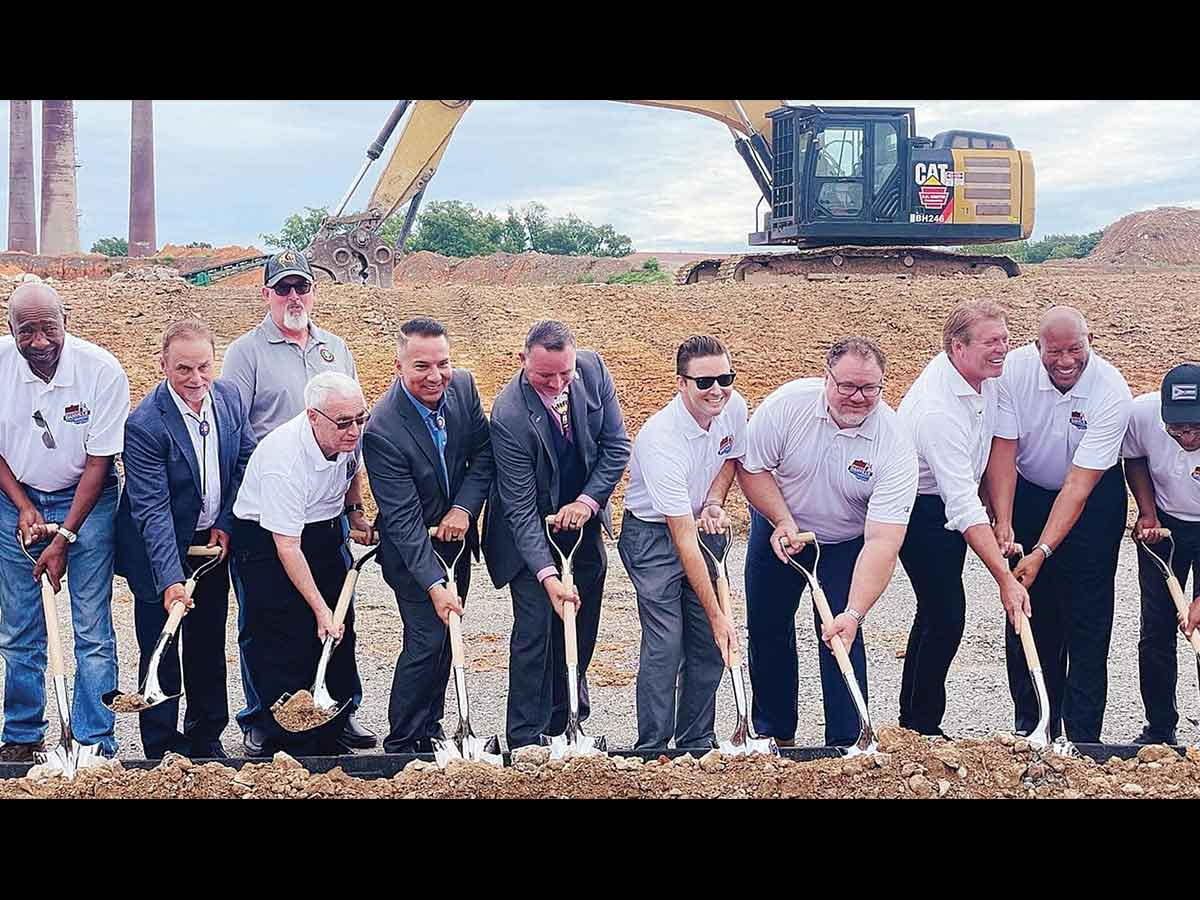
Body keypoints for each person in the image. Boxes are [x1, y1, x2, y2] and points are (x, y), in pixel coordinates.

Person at [221, 249, 376, 753]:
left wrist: (354, 508)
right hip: (272, 506)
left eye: (301, 287)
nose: (293, 297)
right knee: (272, 621)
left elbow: (351, 447)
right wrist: (265, 473)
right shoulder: (247, 352)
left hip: (323, 499)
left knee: (338, 616)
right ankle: (265, 719)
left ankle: (335, 708)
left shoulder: (335, 349)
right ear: (266, 293)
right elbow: (233, 424)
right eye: (283, 288)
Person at [739, 336, 918, 747]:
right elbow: (752, 468)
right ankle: (774, 733)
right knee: (767, 627)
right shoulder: (788, 405)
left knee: (840, 634)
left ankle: (847, 739)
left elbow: (882, 542)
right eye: (847, 386)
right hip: (781, 527)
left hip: (845, 540)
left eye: (869, 388)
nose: (857, 397)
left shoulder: (893, 442)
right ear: (827, 377)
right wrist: (781, 520)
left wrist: (854, 612)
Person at [482, 320, 631, 750]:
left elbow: (616, 447)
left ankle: (567, 717)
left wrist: (586, 503)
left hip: (582, 521)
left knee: (582, 621)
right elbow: (520, 508)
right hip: (526, 530)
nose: (557, 383)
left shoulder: (594, 369)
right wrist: (547, 575)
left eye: (564, 374)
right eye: (545, 375)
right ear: (522, 360)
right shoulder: (510, 414)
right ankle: (525, 737)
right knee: (535, 630)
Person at [987, 306, 1133, 743]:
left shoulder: (1111, 389)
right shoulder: (1013, 372)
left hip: (1093, 499)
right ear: (1037, 348)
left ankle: (1084, 735)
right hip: (1029, 491)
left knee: (1088, 615)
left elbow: (1076, 485)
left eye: (1075, 349)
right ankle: (1034, 724)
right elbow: (1005, 451)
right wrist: (1005, 524)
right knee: (1027, 608)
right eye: (1055, 351)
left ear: (1090, 343)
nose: (1065, 360)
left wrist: (1043, 550)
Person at [114, 319, 255, 759]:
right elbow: (151, 510)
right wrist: (170, 579)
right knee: (161, 639)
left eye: (203, 368)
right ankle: (160, 744)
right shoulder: (145, 425)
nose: (196, 380)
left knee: (208, 639)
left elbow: (244, 459)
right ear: (163, 366)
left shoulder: (229, 397)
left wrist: (227, 522)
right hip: (158, 547)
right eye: (183, 370)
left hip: (212, 545)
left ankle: (206, 735)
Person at [0, 282, 129, 762]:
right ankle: (21, 734)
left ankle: (94, 739)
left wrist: (66, 535)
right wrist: (22, 507)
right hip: (17, 495)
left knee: (92, 624)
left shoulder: (102, 372)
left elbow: (100, 462)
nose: (38, 341)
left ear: (66, 324)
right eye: (26, 330)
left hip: (88, 498)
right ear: (10, 329)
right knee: (19, 625)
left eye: (48, 328)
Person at [896, 301, 1029, 739]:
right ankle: (921, 725)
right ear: (958, 347)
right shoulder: (937, 409)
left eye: (1005, 340)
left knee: (937, 612)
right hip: (919, 506)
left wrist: (1002, 517)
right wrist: (1004, 580)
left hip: (955, 496)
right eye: (992, 342)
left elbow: (995, 446)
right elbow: (960, 505)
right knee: (947, 613)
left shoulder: (987, 377)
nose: (1002, 350)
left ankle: (915, 722)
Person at [362, 318, 494, 754]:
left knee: (446, 638)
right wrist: (434, 586)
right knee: (427, 638)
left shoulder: (465, 388)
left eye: (443, 363)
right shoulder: (382, 429)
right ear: (398, 365)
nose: (435, 376)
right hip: (411, 550)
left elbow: (483, 455)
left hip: (455, 541)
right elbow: (400, 521)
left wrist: (462, 509)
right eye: (421, 366)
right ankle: (402, 740)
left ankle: (431, 730)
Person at [620, 335, 743, 750]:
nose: (717, 389)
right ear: (681, 383)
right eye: (704, 382)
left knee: (709, 646)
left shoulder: (733, 407)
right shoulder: (661, 440)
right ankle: (653, 747)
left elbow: (731, 457)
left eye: (724, 378)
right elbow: (682, 540)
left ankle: (697, 742)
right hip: (653, 536)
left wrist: (713, 500)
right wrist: (718, 615)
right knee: (666, 642)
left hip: (696, 523)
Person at [1121, 363, 1200, 744]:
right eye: (1177, 429)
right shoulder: (1142, 414)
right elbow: (1133, 456)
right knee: (1155, 628)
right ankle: (1160, 729)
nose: (1186, 438)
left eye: (1196, 429)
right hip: (1165, 526)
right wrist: (1147, 511)